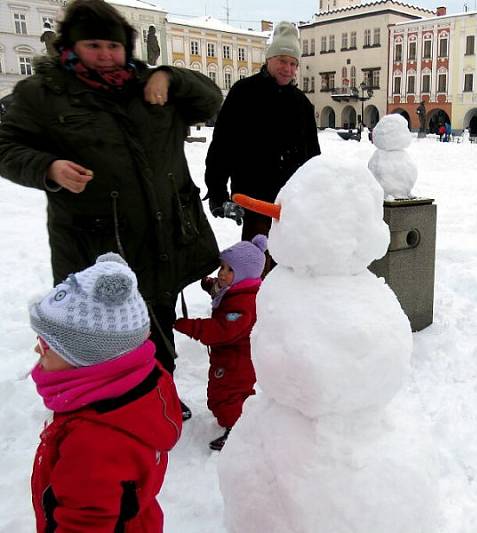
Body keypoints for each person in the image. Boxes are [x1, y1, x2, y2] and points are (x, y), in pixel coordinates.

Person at [0, 0, 221, 420]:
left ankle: (158, 397)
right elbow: (6, 147)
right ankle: (110, 408)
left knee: (157, 315)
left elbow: (210, 101)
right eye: (94, 44)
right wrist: (48, 167)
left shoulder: (149, 83)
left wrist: (170, 75)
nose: (105, 55)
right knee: (100, 328)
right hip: (93, 238)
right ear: (71, 47)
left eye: (113, 46)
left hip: (164, 231)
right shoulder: (41, 94)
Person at [29, 253, 183, 531]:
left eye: (46, 344)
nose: (37, 350)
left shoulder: (93, 443)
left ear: (87, 357)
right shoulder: (141, 386)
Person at [205, 21, 320, 267]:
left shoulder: (302, 104)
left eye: (293, 64)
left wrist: (316, 197)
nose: (288, 69)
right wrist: (217, 193)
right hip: (254, 201)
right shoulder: (243, 93)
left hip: (290, 206)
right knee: (256, 267)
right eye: (282, 61)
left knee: (290, 270)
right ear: (269, 59)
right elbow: (222, 146)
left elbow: (314, 159)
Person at [174, 235, 267, 450]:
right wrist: (209, 285)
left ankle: (238, 432)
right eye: (222, 267)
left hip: (236, 362)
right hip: (230, 358)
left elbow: (222, 330)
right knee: (232, 395)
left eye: (229, 270)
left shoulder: (244, 302)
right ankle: (247, 418)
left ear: (244, 275)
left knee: (225, 397)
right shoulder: (239, 289)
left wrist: (188, 325)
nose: (222, 274)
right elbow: (221, 292)